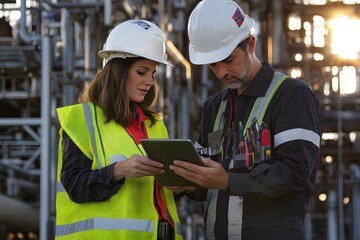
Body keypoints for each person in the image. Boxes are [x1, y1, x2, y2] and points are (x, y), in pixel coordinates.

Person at [169, 0, 323, 239]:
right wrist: (187, 183)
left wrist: (229, 180)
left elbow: (294, 173)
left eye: (228, 60)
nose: (221, 73)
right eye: (213, 65)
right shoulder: (214, 107)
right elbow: (208, 182)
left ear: (251, 44)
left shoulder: (292, 96)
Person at [55, 19, 183, 240]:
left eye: (153, 74)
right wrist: (119, 170)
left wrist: (181, 186)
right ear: (118, 71)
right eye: (142, 72)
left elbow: (157, 198)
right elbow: (74, 185)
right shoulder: (82, 119)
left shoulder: (156, 126)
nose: (150, 81)